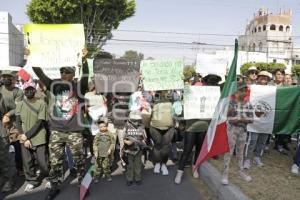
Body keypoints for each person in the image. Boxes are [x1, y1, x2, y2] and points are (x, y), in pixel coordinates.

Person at [32, 52, 89, 200]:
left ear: (73, 74)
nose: (63, 74)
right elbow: (40, 73)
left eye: (67, 72)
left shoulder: (78, 87)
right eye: (61, 71)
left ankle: (83, 185)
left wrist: (84, 60)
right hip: (56, 130)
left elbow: (86, 77)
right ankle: (55, 186)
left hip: (74, 131)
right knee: (55, 161)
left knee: (80, 161)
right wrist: (32, 56)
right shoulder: (54, 85)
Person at [174, 74, 221, 184]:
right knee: (187, 150)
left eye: (213, 84)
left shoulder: (215, 95)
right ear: (204, 83)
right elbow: (183, 107)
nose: (211, 86)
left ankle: (195, 168)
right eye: (209, 83)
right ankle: (179, 172)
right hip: (191, 127)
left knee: (199, 150)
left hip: (204, 126)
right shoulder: (192, 92)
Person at [15, 81, 49, 192]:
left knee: (42, 161)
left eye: (31, 89)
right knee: (27, 162)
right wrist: (23, 136)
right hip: (24, 136)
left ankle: (49, 176)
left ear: (35, 90)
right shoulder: (20, 104)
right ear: (24, 91)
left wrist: (27, 136)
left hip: (39, 136)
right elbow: (18, 122)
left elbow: (40, 122)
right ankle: (31, 181)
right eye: (26, 89)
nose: (29, 91)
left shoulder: (41, 103)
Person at [222, 82, 254, 185]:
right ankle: (225, 174)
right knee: (229, 152)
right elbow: (227, 117)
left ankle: (240, 171)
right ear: (236, 92)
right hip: (232, 130)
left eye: (245, 90)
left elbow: (252, 119)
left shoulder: (248, 104)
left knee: (240, 152)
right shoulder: (231, 103)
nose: (244, 92)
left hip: (243, 131)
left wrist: (242, 119)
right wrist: (236, 118)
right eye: (242, 90)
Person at [244, 71, 272, 170]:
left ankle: (257, 157)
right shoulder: (252, 88)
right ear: (258, 78)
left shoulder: (272, 89)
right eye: (261, 77)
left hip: (267, 120)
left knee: (263, 141)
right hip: (254, 120)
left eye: (266, 77)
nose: (263, 79)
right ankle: (247, 159)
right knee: (252, 140)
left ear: (268, 80)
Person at [0, 70, 24, 186]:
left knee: (17, 147)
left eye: (8, 77)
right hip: (1, 124)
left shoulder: (18, 92)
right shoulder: (0, 90)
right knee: (3, 151)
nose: (5, 79)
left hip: (13, 123)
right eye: (3, 76)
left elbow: (18, 107)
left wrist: (8, 115)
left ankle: (20, 168)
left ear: (13, 78)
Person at [149, 90, 174, 176]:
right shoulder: (152, 98)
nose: (165, 92)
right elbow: (147, 111)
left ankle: (163, 164)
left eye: (166, 90)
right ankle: (157, 163)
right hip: (155, 127)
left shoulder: (173, 97)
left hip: (169, 127)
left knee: (166, 147)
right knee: (158, 146)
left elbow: (178, 111)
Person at [123, 111, 147, 186]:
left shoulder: (141, 126)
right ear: (130, 119)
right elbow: (123, 138)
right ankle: (129, 179)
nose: (136, 122)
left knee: (138, 165)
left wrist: (143, 141)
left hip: (138, 149)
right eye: (134, 120)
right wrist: (127, 142)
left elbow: (144, 137)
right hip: (128, 150)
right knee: (129, 166)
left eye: (137, 120)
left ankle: (138, 178)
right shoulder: (126, 125)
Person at [93, 118, 115, 183]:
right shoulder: (97, 135)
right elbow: (94, 144)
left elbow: (113, 143)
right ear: (98, 127)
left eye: (104, 126)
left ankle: (108, 175)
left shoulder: (110, 134)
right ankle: (96, 177)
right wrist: (96, 151)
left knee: (106, 166)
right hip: (98, 154)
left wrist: (110, 149)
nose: (102, 128)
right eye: (101, 127)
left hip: (106, 154)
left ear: (107, 126)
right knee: (97, 166)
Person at [0, 92, 13, 193]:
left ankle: (8, 181)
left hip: (1, 133)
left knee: (3, 159)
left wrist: (7, 114)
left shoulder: (3, 97)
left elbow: (15, 108)